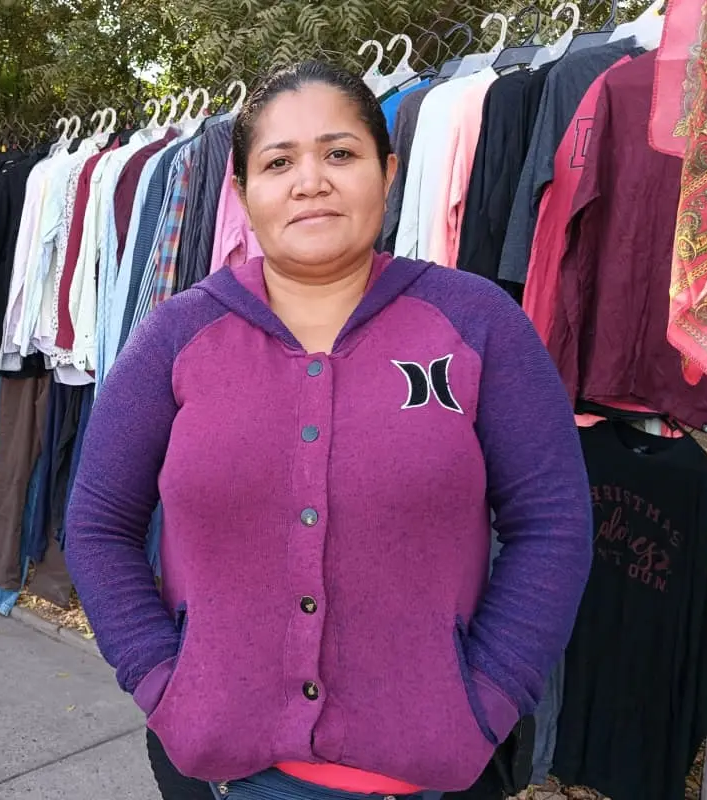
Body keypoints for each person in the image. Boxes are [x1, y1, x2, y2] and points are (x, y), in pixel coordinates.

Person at [64, 60, 593, 800]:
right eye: (279, 162)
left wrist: (492, 694)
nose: (310, 180)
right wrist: (160, 681)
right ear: (243, 194)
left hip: (433, 772)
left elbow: (554, 524)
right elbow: (97, 523)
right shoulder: (178, 335)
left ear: (389, 170)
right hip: (219, 770)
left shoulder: (477, 323)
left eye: (339, 154)